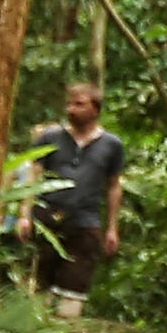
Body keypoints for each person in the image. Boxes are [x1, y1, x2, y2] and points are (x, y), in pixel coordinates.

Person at [22, 78, 127, 316]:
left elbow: (113, 186)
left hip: (85, 223)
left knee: (75, 286)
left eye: (79, 104)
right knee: (41, 286)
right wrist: (24, 215)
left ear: (95, 109)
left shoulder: (112, 145)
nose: (71, 109)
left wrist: (112, 228)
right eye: (69, 104)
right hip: (47, 220)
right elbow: (33, 176)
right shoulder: (50, 137)